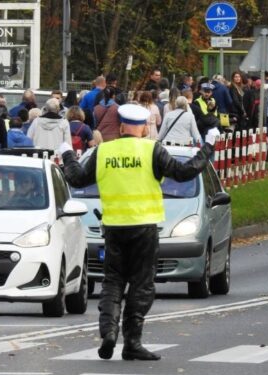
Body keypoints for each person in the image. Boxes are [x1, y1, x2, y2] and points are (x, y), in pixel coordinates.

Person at [60, 104, 218, 361]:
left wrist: (67, 154)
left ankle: (108, 332)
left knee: (112, 281)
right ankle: (132, 342)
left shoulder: (104, 151)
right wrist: (208, 147)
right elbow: (183, 172)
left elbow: (76, 179)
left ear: (121, 126)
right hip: (145, 228)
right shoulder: (151, 150)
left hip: (113, 228)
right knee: (141, 285)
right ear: (144, 127)